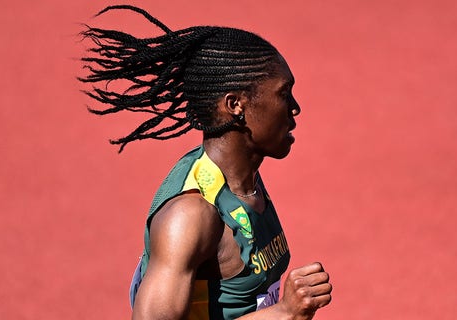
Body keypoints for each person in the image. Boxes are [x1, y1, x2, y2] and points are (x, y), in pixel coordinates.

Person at [79, 5, 332, 320]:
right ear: (235, 105)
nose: (296, 108)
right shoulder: (191, 215)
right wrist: (283, 313)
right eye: (284, 94)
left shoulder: (245, 181)